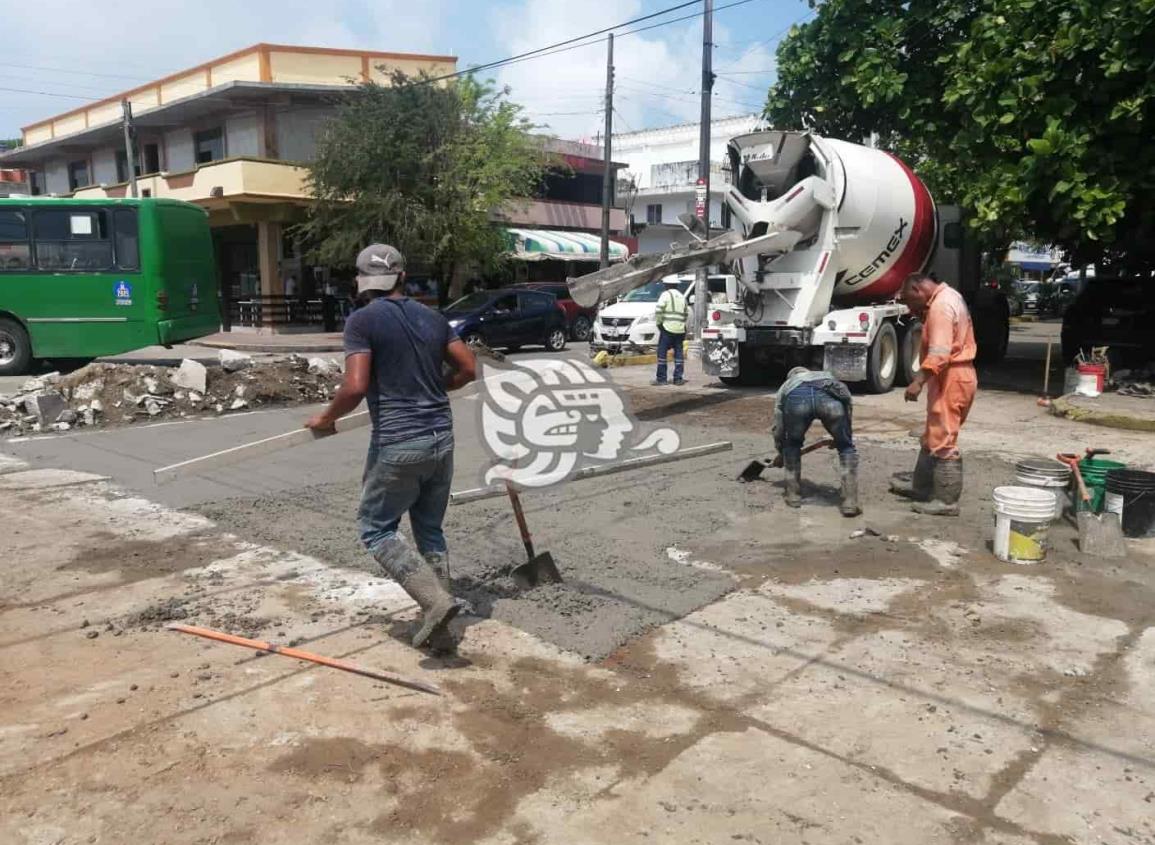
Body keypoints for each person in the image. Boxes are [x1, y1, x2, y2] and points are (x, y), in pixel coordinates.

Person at [305, 244, 478, 651]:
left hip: (400, 441)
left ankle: (435, 603)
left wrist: (326, 419)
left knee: (375, 528)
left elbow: (355, 386)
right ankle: (443, 629)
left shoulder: (362, 321)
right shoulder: (432, 317)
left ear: (361, 282)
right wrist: (440, 386)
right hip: (441, 438)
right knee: (430, 528)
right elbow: (468, 368)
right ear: (402, 277)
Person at [890, 272, 977, 516]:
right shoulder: (950, 296)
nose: (910, 308)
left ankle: (946, 501)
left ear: (918, 290)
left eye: (909, 301)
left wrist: (918, 382)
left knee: (944, 440)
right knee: (933, 434)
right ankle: (922, 487)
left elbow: (939, 353)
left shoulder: (940, 307)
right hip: (953, 375)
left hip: (952, 376)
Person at [772, 366, 860, 516]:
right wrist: (843, 437)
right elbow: (847, 404)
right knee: (846, 448)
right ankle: (850, 502)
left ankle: (793, 496)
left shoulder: (788, 385)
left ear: (791, 376)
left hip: (798, 400)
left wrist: (781, 450)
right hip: (829, 398)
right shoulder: (827, 376)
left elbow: (779, 425)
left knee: (792, 445)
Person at [652, 277, 688, 386]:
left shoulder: (665, 295)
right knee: (678, 354)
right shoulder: (682, 297)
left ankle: (662, 379)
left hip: (667, 328)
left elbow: (658, 311)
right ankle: (678, 379)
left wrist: (659, 324)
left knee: (662, 354)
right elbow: (686, 314)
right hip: (680, 330)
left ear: (666, 285)